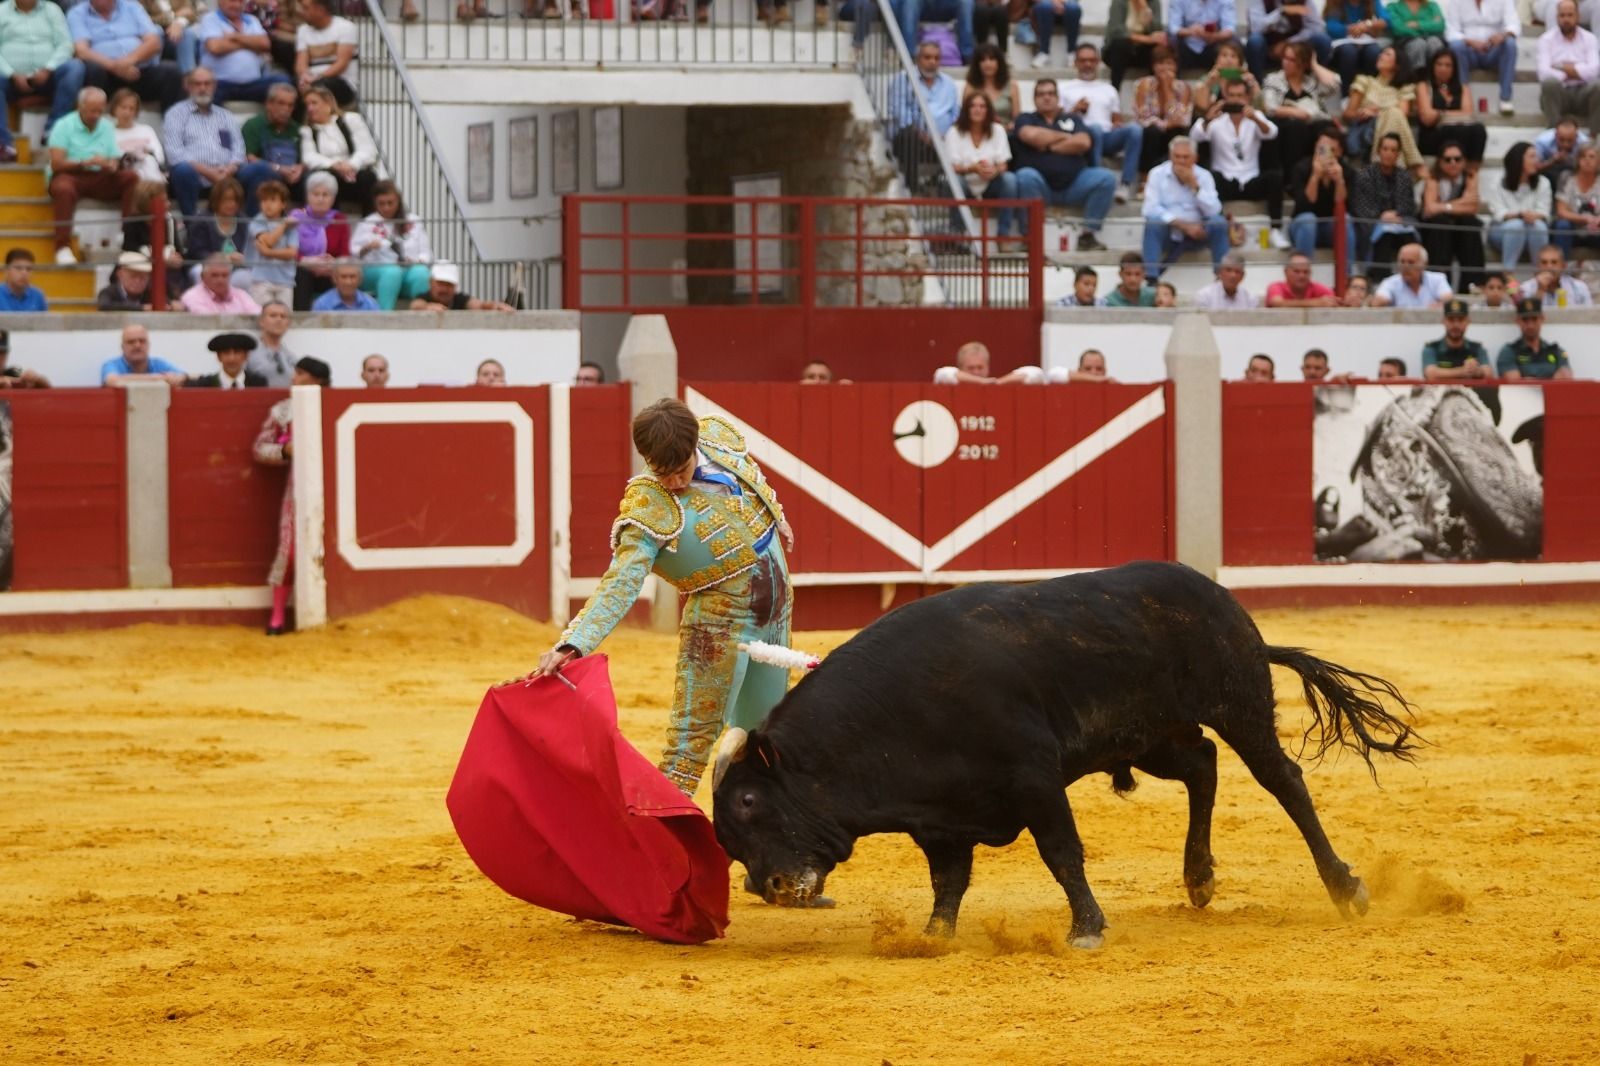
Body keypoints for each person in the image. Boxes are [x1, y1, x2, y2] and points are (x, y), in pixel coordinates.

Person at [516, 399, 797, 801]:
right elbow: (621, 581)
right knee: (690, 745)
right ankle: (658, 843)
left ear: (696, 443)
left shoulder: (720, 438)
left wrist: (777, 514)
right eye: (663, 474)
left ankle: (758, 834)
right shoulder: (647, 505)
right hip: (719, 624)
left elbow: (751, 476)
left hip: (776, 605)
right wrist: (574, 642)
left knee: (768, 730)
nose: (675, 484)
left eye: (681, 470)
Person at [254, 354, 331, 636]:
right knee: (288, 554)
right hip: (296, 491)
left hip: (337, 489)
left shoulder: (334, 405)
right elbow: (260, 449)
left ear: (317, 379)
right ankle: (277, 617)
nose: (293, 378)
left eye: (300, 373)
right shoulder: (283, 411)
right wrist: (285, 451)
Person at [1008, 79, 1115, 251]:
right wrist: (1066, 136)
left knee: (1106, 178)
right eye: (1041, 94)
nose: (1046, 98)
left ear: (1058, 98)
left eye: (1051, 94)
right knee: (1025, 176)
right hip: (1040, 187)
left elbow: (1083, 142)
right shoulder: (1025, 118)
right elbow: (1031, 136)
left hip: (1075, 184)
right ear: (1034, 99)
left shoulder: (1072, 118)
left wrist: (1047, 145)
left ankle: (1088, 235)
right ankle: (1030, 239)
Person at [46, 86, 138, 265]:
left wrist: (111, 165)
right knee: (63, 188)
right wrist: (84, 163)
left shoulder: (106, 126)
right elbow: (57, 163)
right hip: (70, 174)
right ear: (80, 107)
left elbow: (114, 157)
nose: (96, 115)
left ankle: (127, 235)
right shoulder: (63, 125)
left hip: (99, 176)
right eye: (91, 110)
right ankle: (62, 247)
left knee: (131, 178)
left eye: (99, 110)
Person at [1192, 76, 1288, 248]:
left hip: (1251, 180)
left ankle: (1275, 230)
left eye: (1240, 96)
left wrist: (1256, 120)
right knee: (1210, 177)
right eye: (1232, 95)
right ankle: (1220, 230)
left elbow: (1272, 133)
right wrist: (1208, 119)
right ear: (1225, 97)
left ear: (1247, 98)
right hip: (1225, 181)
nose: (1236, 100)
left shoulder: (1255, 116)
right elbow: (1195, 136)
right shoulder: (1215, 119)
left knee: (1275, 177)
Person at [67, 0, 184, 112]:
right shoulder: (77, 13)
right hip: (105, 75)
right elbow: (81, 51)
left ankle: (174, 125)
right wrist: (114, 67)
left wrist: (128, 61)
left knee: (172, 72)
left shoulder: (132, 7)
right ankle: (93, 122)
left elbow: (154, 42)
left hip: (137, 71)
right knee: (92, 70)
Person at [1060, 44, 1141, 202]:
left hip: (1107, 137)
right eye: (1083, 60)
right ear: (1075, 63)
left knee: (1135, 129)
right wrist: (1075, 110)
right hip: (1080, 136)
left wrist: (1118, 125)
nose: (1087, 64)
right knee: (1095, 129)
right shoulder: (1064, 88)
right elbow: (1056, 120)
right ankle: (1098, 180)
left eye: (1091, 60)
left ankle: (1125, 184)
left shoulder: (1109, 89)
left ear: (1098, 63)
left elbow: (1116, 119)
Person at [164, 67, 245, 220]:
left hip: (227, 175)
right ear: (188, 86)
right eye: (197, 84)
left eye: (207, 84)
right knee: (182, 170)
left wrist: (229, 169)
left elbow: (238, 149)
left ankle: (251, 230)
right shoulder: (175, 114)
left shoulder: (225, 116)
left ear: (214, 86)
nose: (203, 88)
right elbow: (175, 154)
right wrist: (209, 172)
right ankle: (192, 227)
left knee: (257, 171)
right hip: (195, 176)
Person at [1140, 135, 1230, 273]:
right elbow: (1149, 209)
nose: (1181, 161)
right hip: (1169, 232)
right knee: (1153, 223)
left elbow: (1214, 210)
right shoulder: (1157, 174)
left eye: (1186, 157)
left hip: (1199, 233)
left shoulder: (1204, 176)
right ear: (1170, 157)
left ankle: (1221, 276)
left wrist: (1195, 186)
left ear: (1195, 158)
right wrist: (1183, 226)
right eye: (1177, 156)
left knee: (1218, 222)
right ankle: (1151, 278)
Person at [0, 0, 83, 147]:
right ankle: (3, 143)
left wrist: (48, 68)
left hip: (48, 77)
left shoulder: (52, 10)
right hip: (9, 79)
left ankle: (53, 131)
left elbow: (65, 45)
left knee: (74, 68)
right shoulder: (2, 11)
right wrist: (12, 73)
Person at [945, 92, 1022, 245]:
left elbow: (1003, 164)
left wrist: (994, 171)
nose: (977, 110)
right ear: (966, 110)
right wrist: (972, 168)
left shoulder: (998, 130)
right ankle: (957, 236)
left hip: (990, 184)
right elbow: (953, 167)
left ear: (988, 110)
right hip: (966, 182)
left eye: (982, 106)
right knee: (954, 182)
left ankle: (1003, 236)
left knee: (1010, 179)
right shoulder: (954, 132)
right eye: (973, 106)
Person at [352, 180, 433, 309]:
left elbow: (426, 254)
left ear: (398, 201)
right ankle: (384, 316)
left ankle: (421, 314)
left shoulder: (413, 221)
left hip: (407, 271)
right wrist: (367, 248)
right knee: (392, 272)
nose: (386, 208)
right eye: (381, 204)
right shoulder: (367, 223)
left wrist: (416, 261)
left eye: (390, 203)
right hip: (375, 272)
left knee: (421, 273)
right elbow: (354, 253)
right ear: (375, 203)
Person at [1260, 39, 1341, 168]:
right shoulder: (1274, 79)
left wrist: (1314, 64)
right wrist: (1296, 112)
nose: (1285, 62)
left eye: (1291, 60)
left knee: (1325, 127)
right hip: (1286, 126)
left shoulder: (1311, 82)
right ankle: (1293, 175)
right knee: (1296, 127)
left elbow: (1334, 84)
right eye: (1284, 58)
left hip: (1311, 124)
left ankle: (1324, 167)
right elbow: (1270, 108)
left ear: (1303, 63)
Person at [1351, 132, 1421, 281]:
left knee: (1410, 234)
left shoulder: (1404, 176)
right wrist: (1381, 217)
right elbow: (1361, 206)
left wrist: (1395, 214)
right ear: (1378, 151)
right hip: (1372, 221)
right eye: (1385, 149)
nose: (1388, 153)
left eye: (1393, 150)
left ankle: (1414, 278)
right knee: (1384, 235)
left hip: (1399, 220)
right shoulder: (1365, 175)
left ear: (1398, 154)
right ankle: (1380, 280)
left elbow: (1409, 205)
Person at [1419, 139, 1486, 289]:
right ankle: (1440, 284)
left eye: (1457, 159)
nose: (1453, 163)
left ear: (1464, 161)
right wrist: (1462, 202)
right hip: (1435, 230)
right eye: (1447, 159)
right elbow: (1430, 209)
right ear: (1440, 162)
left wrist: (1443, 206)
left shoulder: (1470, 176)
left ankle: (1471, 284)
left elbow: (1473, 207)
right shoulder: (1432, 177)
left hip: (1459, 229)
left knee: (1470, 224)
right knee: (1440, 224)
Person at [300, 85, 377, 212]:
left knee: (368, 178)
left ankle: (370, 225)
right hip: (330, 172)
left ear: (328, 103)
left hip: (353, 172)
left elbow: (367, 149)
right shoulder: (308, 131)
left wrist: (351, 164)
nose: (310, 108)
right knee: (323, 180)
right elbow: (309, 157)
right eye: (307, 104)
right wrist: (333, 165)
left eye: (314, 103)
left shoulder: (350, 120)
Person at [1343, 44, 1421, 169]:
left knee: (1393, 114)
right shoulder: (1365, 81)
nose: (1380, 55)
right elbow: (1348, 114)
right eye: (1381, 53)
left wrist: (1376, 112)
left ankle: (1382, 160)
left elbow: (1402, 114)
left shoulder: (1404, 88)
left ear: (1397, 65)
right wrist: (1363, 113)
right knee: (1391, 113)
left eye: (1387, 54)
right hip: (1365, 131)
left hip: (1389, 131)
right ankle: (1410, 163)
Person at [196, 0, 289, 103]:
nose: (236, 5)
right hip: (221, 83)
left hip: (252, 84)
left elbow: (265, 44)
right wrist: (251, 43)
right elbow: (215, 47)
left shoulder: (252, 20)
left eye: (240, 1)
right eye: (232, 1)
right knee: (207, 89)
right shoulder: (210, 19)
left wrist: (235, 36)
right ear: (220, 1)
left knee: (283, 82)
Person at [1289, 126, 1357, 256]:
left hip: (1330, 227)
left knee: (1345, 219)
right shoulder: (1301, 168)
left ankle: (1347, 275)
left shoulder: (1347, 171)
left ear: (1339, 152)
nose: (1325, 154)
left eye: (1331, 150)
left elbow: (1344, 206)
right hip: (1302, 226)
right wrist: (1315, 176)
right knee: (1308, 220)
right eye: (1321, 149)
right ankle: (1304, 272)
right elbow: (1303, 206)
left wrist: (1339, 181)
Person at [1415, 47, 1488, 164]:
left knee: (1478, 130)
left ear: (1454, 69)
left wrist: (1440, 114)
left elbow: (1468, 114)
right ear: (1432, 66)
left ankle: (1472, 171)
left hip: (1457, 133)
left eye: (1448, 65)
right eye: (1439, 64)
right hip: (1433, 136)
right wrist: (1454, 115)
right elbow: (1427, 118)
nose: (1443, 68)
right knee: (1455, 130)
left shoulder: (1463, 88)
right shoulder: (1424, 86)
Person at [1445, 0, 1519, 116]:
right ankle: (1462, 96)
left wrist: (1502, 35)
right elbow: (1451, 31)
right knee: (1456, 46)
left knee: (1510, 44)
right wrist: (1469, 41)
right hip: (1468, 51)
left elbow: (1514, 26)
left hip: (1494, 50)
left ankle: (1505, 98)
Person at [1487, 142, 1553, 270]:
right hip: (1501, 229)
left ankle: (1540, 272)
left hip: (1532, 228)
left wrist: (1533, 216)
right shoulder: (1497, 181)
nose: (1537, 160)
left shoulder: (1544, 182)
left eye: (1537, 156)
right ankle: (1508, 273)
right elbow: (1497, 212)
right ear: (1518, 159)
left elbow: (1544, 212)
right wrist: (1519, 215)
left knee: (1539, 226)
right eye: (1532, 156)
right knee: (1516, 226)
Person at [240, 81, 303, 212]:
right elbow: (249, 158)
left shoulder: (297, 129)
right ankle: (256, 223)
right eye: (281, 103)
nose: (286, 109)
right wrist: (279, 169)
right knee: (260, 171)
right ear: (269, 104)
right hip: (262, 175)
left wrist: (300, 168)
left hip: (290, 178)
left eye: (290, 105)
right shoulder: (254, 125)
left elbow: (303, 159)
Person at [1539, 0, 1600, 133]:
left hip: (1582, 93)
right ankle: (1553, 135)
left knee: (1598, 86)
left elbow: (1594, 71)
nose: (1566, 19)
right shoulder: (1546, 39)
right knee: (1549, 83)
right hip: (1559, 94)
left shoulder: (1590, 39)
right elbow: (1543, 73)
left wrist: (1560, 68)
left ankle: (1593, 137)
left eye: (1570, 15)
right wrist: (1576, 70)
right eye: (1562, 15)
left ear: (1578, 16)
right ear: (1557, 17)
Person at [291, 169, 348, 310]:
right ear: (308, 196)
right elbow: (288, 250)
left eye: (325, 195)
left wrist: (333, 264)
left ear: (333, 199)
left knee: (344, 274)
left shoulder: (339, 220)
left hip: (330, 271)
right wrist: (308, 261)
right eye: (316, 194)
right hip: (302, 269)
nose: (320, 199)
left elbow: (345, 253)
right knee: (302, 273)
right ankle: (302, 318)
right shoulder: (295, 218)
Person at [1132, 44, 1195, 171]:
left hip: (1173, 132)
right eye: (1160, 63)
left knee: (1178, 132)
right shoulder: (1143, 84)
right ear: (1153, 66)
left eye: (1169, 63)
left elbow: (1181, 119)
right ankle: (1145, 177)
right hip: (1150, 134)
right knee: (1152, 131)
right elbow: (1143, 117)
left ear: (1175, 66)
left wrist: (1167, 89)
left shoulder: (1184, 88)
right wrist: (1165, 125)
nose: (1165, 68)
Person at [183, 176, 250, 284]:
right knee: (199, 272)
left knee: (246, 278)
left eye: (235, 200)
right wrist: (225, 258)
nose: (232, 204)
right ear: (216, 199)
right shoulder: (201, 221)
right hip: (206, 265)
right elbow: (197, 253)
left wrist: (242, 258)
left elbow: (249, 250)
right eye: (227, 199)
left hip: (236, 268)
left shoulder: (244, 221)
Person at [1246, 0, 1333, 80]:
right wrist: (1281, 12)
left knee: (1322, 40)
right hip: (1268, 50)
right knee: (1255, 41)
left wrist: (1289, 43)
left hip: (1297, 48)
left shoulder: (1306, 2)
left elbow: (1315, 27)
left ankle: (1314, 83)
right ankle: (1257, 86)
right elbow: (1256, 28)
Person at [295, 0, 357, 108]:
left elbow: (341, 64)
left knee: (319, 87)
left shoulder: (346, 27)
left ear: (320, 9)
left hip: (341, 82)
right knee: (288, 87)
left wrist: (317, 78)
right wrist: (305, 77)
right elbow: (301, 63)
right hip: (312, 79)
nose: (302, 12)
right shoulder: (303, 30)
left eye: (306, 8)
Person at [246, 179, 296, 308]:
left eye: (273, 200)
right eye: (264, 200)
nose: (267, 204)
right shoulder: (256, 222)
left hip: (285, 280)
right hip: (261, 280)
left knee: (284, 317)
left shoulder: (292, 225)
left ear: (283, 204)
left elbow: (292, 252)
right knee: (260, 316)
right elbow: (268, 241)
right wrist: (283, 225)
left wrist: (268, 253)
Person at [1497, 298, 1575, 378]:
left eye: (1534, 319)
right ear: (1517, 321)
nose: (1530, 325)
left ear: (1542, 319)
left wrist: (1529, 380)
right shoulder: (1509, 352)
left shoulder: (1556, 351)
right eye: (1525, 320)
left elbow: (1566, 376)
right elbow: (1514, 382)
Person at [1420, 297, 1495, 379]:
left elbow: (1489, 373)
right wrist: (1462, 371)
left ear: (1468, 321)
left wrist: (1477, 371)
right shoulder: (1432, 348)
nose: (1456, 325)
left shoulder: (1477, 348)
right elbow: (1431, 374)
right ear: (1443, 321)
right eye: (1451, 319)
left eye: (1461, 319)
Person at [1324, 0, 1390, 92]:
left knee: (1374, 52)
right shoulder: (1335, 2)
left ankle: (1371, 93)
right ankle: (1346, 95)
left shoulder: (1373, 2)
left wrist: (1367, 25)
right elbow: (1331, 27)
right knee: (1349, 52)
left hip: (1365, 41)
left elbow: (1386, 20)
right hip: (1342, 42)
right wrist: (1350, 29)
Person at [1103, 0, 1169, 90]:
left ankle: (1158, 91)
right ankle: (1114, 91)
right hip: (1119, 50)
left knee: (1158, 49)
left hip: (1141, 51)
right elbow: (1116, 31)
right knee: (1121, 44)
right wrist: (1146, 39)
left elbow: (1156, 30)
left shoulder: (1154, 2)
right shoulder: (1119, 2)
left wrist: (1145, 9)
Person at [1553, 142, 1600, 256]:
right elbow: (1561, 211)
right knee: (1562, 225)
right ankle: (1560, 270)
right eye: (1583, 156)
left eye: (1591, 157)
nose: (1587, 160)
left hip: (1597, 229)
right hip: (1572, 227)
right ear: (1578, 160)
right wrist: (1585, 219)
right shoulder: (1566, 177)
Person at [109, 86, 163, 184]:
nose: (127, 112)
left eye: (131, 109)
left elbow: (159, 156)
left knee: (148, 162)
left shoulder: (146, 130)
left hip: (148, 170)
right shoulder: (108, 133)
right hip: (125, 176)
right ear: (114, 108)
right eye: (123, 107)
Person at [101, 322, 187, 385]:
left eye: (142, 341)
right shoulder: (111, 364)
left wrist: (178, 378)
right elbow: (112, 381)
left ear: (148, 345)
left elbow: (183, 376)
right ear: (122, 347)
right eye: (131, 342)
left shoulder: (158, 363)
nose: (137, 345)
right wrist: (159, 378)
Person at [409, 261, 515, 311]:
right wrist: (428, 307)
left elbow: (479, 305)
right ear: (431, 283)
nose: (445, 289)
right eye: (441, 283)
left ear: (455, 287)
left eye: (449, 284)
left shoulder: (459, 299)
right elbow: (416, 305)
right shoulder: (424, 297)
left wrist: (496, 306)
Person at [1372, 241, 1454, 306]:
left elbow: (1449, 299)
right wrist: (1380, 301)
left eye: (1411, 262)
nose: (1405, 266)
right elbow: (1379, 300)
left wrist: (1440, 305)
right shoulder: (1390, 282)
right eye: (1402, 262)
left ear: (1424, 264)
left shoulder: (1438, 279)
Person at [1168, 0, 1237, 73]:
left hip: (1213, 44)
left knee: (1233, 43)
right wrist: (1190, 31)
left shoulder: (1226, 1)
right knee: (1169, 41)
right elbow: (1173, 27)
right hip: (1186, 43)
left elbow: (1229, 29)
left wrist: (1214, 36)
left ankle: (1230, 80)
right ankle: (1170, 81)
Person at [963, 42, 1020, 130]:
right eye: (982, 60)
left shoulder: (1012, 86)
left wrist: (1009, 127)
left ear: (999, 62)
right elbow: (965, 116)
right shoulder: (970, 86)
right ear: (977, 64)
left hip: (1006, 134)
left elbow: (1017, 119)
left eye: (992, 59)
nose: (987, 64)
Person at [932, 340, 1049, 383]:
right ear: (961, 368)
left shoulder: (995, 385)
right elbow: (943, 373)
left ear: (988, 367)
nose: (976, 372)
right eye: (971, 368)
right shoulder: (953, 383)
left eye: (980, 367)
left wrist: (998, 383)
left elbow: (1036, 373)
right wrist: (982, 382)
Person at [180, 254, 261, 313]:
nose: (220, 280)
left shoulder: (240, 295)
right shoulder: (192, 296)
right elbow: (207, 322)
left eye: (224, 275)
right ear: (203, 277)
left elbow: (257, 314)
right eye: (214, 275)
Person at [1520, 243, 1594, 305]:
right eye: (1544, 262)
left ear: (1563, 266)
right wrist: (1540, 290)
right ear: (1538, 266)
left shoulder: (1579, 288)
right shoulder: (1526, 288)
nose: (1549, 267)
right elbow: (1527, 319)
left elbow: (1590, 317)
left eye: (1554, 262)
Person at [187, 331, 266, 388]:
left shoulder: (258, 383)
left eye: (237, 352)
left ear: (246, 356)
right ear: (218, 357)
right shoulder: (204, 385)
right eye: (226, 353)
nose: (231, 358)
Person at [1386, 0, 1448, 70]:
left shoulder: (1432, 5)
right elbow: (1398, 29)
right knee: (1418, 44)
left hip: (1432, 39)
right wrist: (1429, 25)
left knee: (1434, 43)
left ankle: (1436, 77)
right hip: (1406, 41)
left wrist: (1418, 24)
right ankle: (1416, 77)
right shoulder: (1393, 7)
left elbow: (1440, 26)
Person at [248, 300, 295, 385]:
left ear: (288, 323)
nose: (279, 320)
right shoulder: (249, 353)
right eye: (273, 316)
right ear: (261, 321)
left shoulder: (291, 357)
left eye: (283, 316)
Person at [1266, 251, 1340, 305]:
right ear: (1286, 272)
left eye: (1306, 272)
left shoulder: (1317, 287)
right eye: (1296, 271)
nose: (1302, 276)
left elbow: (1336, 301)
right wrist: (1315, 303)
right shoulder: (1276, 287)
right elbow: (1277, 303)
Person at [1534, 118, 1589, 189]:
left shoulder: (1585, 143)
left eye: (1570, 140)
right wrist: (1552, 161)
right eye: (1561, 139)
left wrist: (1573, 161)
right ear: (1555, 134)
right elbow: (1535, 168)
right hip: (1548, 173)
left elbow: (1591, 168)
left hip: (1575, 174)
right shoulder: (1542, 141)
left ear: (1576, 136)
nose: (1565, 144)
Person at [1192, 249, 1259, 308]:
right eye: (1228, 270)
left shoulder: (1250, 299)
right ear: (1220, 273)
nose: (1233, 275)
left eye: (1237, 271)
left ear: (1242, 276)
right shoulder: (1205, 296)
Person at [1028, 0, 1081, 69]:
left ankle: (1071, 53)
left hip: (1066, 7)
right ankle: (1043, 52)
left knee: (1073, 7)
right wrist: (1054, 2)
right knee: (1045, 6)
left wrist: (1062, 2)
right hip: (1043, 8)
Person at [310, 260, 378, 311]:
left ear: (360, 280)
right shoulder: (321, 305)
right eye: (343, 277)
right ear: (335, 279)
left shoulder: (370, 304)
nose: (348, 282)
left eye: (352, 277)